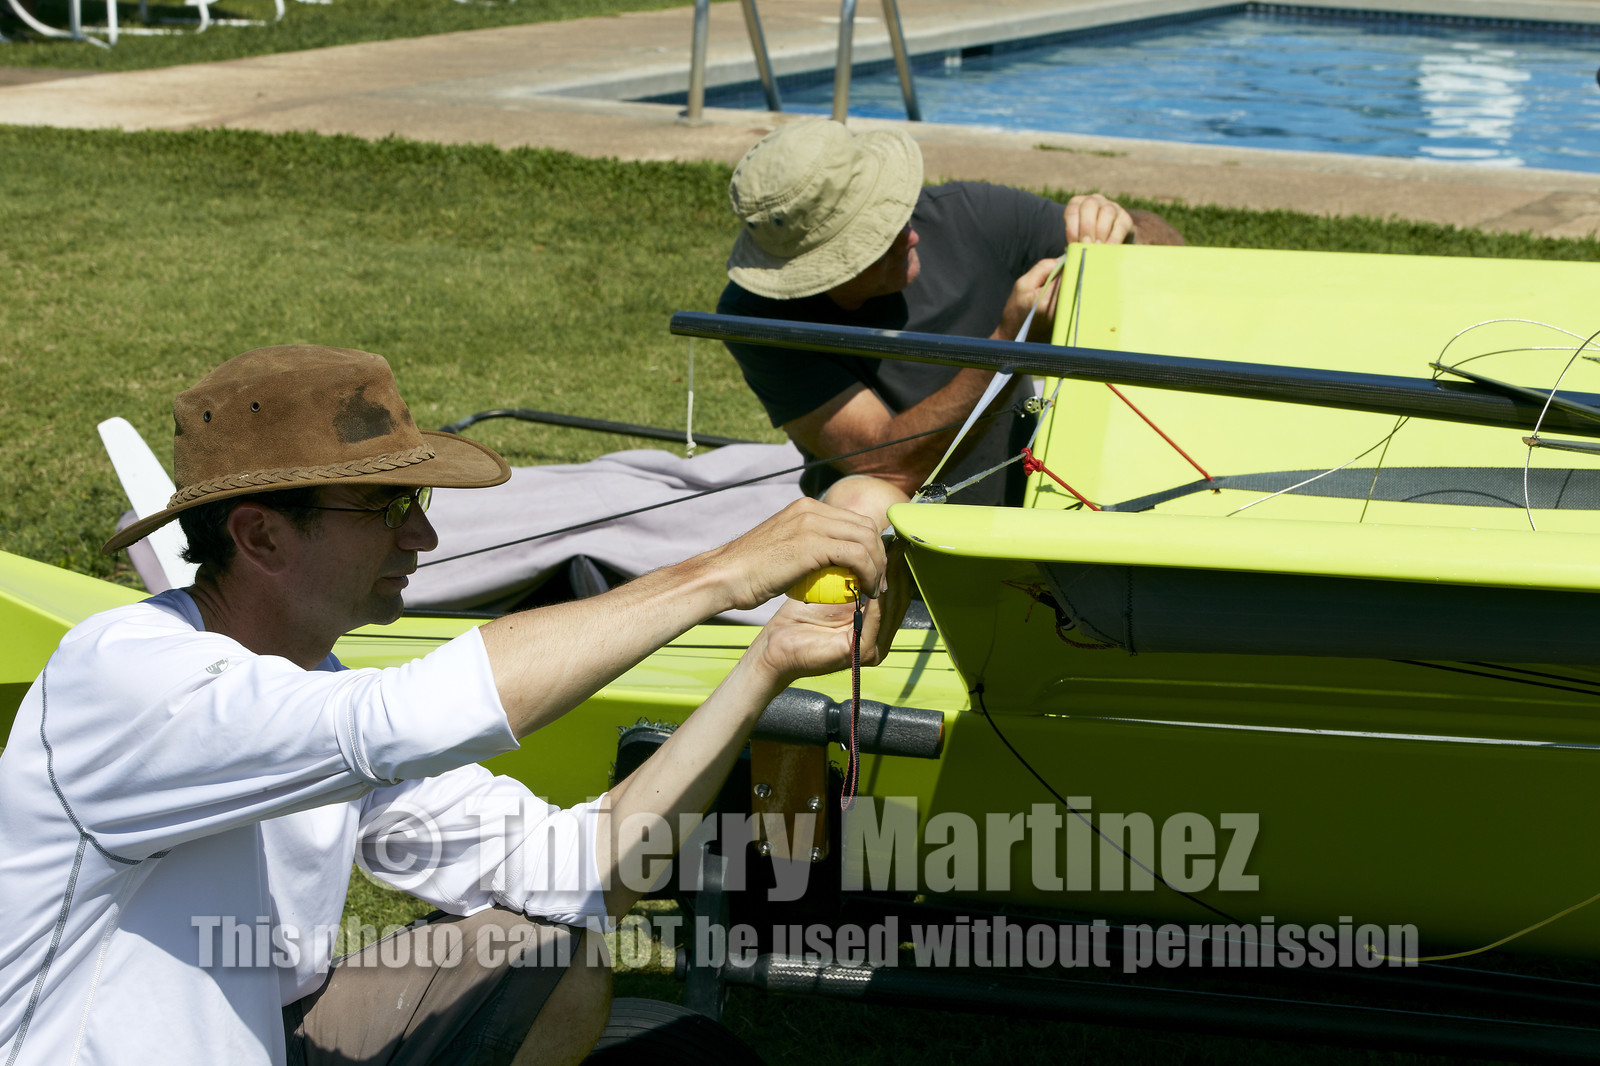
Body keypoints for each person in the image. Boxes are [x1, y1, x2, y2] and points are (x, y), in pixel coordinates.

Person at [0, 345, 885, 1066]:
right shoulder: (127, 678)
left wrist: (766, 660)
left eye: (414, 501)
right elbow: (400, 719)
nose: (422, 536)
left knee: (554, 954)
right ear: (260, 534)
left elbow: (583, 872)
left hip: (277, 1033)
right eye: (385, 507)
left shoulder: (313, 685)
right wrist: (719, 574)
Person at [716, 117, 1185, 532]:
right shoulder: (756, 315)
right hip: (897, 539)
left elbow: (1172, 264)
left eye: (895, 211)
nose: (911, 233)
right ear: (814, 268)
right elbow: (887, 466)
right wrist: (1008, 349)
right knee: (860, 503)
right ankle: (859, 627)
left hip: (1032, 501)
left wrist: (1126, 233)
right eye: (876, 236)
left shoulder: (970, 215)